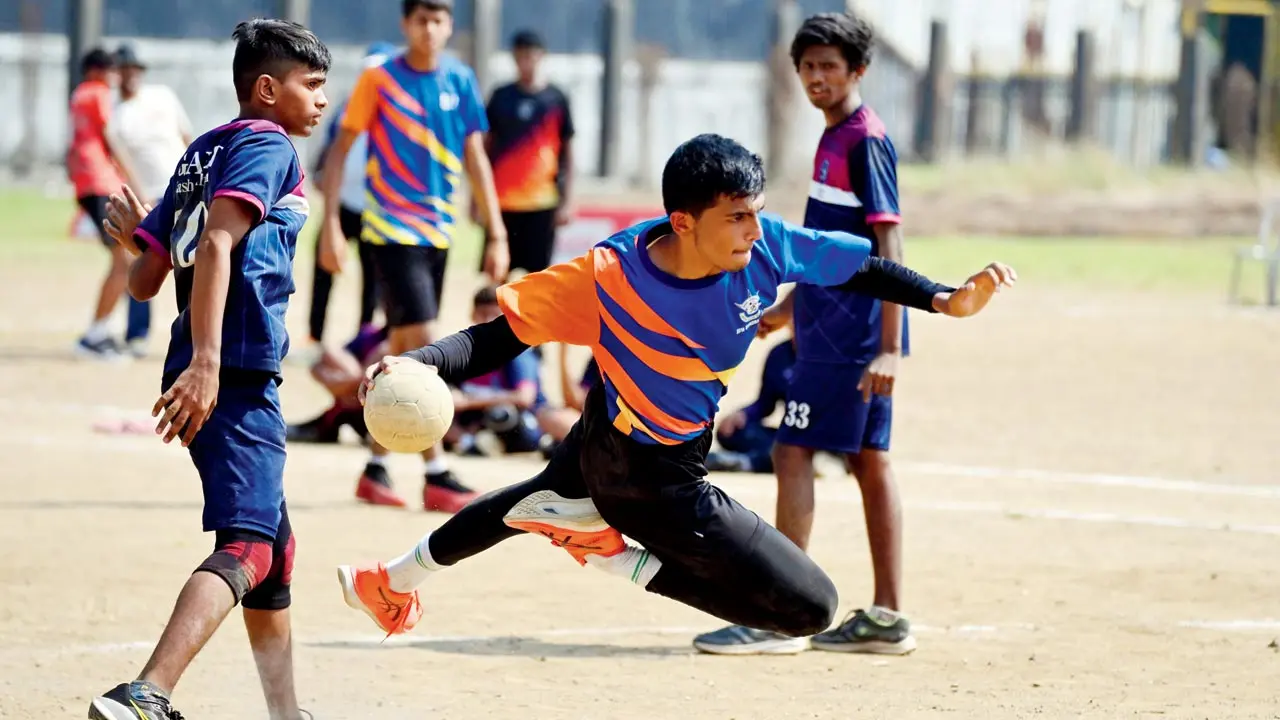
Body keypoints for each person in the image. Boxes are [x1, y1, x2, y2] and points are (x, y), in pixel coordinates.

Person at [331, 134, 1016, 646]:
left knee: (532, 502)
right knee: (811, 608)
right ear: (684, 222)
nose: (753, 230)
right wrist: (418, 363)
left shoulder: (765, 245)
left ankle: (388, 583)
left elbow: (855, 265)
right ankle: (611, 553)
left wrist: (945, 298)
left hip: (617, 435)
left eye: (755, 212)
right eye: (736, 218)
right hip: (652, 479)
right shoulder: (608, 276)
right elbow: (501, 336)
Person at [87, 19, 331, 720]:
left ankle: (286, 713)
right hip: (234, 368)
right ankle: (147, 692)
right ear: (266, 89)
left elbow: (142, 280)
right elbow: (220, 246)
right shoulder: (267, 145)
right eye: (309, 86)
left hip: (213, 364)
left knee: (274, 549)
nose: (319, 101)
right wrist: (207, 363)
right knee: (250, 546)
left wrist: (142, 228)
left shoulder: (203, 150)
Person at [694, 12, 918, 656]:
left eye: (830, 66)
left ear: (858, 72)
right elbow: (831, 251)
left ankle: (782, 615)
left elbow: (887, 241)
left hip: (853, 338)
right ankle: (887, 617)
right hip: (825, 329)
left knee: (795, 451)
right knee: (864, 460)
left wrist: (888, 346)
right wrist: (789, 309)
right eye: (808, 66)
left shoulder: (863, 139)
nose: (817, 77)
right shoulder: (833, 137)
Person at [319, 0, 510, 513]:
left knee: (404, 350)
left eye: (439, 19)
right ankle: (437, 470)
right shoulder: (380, 81)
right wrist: (332, 225)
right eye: (421, 19)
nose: (430, 29)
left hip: (439, 234)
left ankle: (376, 468)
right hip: (389, 232)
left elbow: (476, 159)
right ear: (405, 24)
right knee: (426, 343)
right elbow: (337, 152)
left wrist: (496, 232)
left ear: (450, 25)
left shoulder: (461, 80)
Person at [103, 44, 194, 358]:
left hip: (188, 188)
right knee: (141, 260)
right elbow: (124, 163)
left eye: (135, 69)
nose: (131, 76)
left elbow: (187, 138)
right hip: (152, 195)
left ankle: (201, 331)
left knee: (196, 260)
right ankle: (137, 334)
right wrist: (141, 202)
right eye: (125, 70)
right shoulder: (115, 118)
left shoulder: (163, 96)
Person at [305, 42, 396, 351]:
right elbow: (331, 146)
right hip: (342, 202)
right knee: (323, 267)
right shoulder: (348, 106)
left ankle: (363, 339)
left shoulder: (396, 111)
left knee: (373, 277)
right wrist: (319, 175)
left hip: (376, 207)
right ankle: (314, 335)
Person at [482, 29, 576, 274]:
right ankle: (496, 315)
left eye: (531, 56)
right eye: (521, 56)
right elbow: (484, 147)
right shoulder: (501, 97)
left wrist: (567, 200)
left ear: (541, 56)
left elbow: (567, 152)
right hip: (503, 201)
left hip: (542, 202)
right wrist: (477, 199)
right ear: (514, 58)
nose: (526, 62)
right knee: (497, 273)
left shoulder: (556, 99)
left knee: (539, 277)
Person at [68, 47, 135, 359]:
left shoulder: (79, 95)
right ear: (94, 71)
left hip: (87, 184)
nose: (113, 75)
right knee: (125, 261)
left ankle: (101, 331)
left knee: (123, 259)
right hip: (101, 182)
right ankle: (95, 335)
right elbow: (110, 138)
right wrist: (134, 180)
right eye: (108, 69)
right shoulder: (97, 93)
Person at [446, 285, 548, 457]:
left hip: (517, 423)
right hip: (472, 420)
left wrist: (468, 401)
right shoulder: (465, 352)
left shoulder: (518, 353)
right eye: (483, 314)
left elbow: (524, 397)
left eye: (495, 315)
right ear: (473, 314)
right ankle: (467, 442)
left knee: (500, 413)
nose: (488, 321)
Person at [704, 334, 796, 475]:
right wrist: (744, 414)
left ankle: (745, 462)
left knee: (792, 450)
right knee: (731, 433)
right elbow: (766, 403)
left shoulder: (833, 354)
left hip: (826, 437)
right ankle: (747, 461)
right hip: (788, 435)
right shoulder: (780, 353)